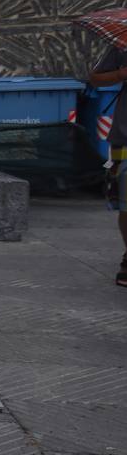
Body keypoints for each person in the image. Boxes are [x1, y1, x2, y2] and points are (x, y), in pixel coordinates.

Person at [89, 39, 127, 287]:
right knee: (126, 202)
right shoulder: (123, 45)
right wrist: (121, 73)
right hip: (125, 137)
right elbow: (96, 78)